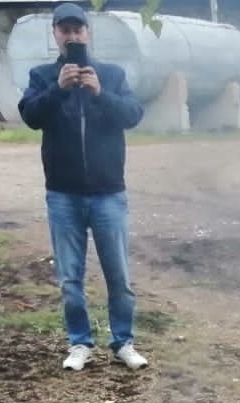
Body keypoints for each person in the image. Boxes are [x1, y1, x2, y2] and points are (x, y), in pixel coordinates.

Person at [19, 2, 148, 373]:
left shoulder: (110, 74)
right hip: (63, 194)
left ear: (88, 33)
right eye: (65, 30)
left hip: (108, 192)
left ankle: (123, 341)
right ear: (56, 35)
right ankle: (79, 343)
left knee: (119, 277)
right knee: (69, 279)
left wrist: (100, 93)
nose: (72, 36)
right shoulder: (42, 76)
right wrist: (57, 90)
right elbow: (30, 116)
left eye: (78, 30)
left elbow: (132, 115)